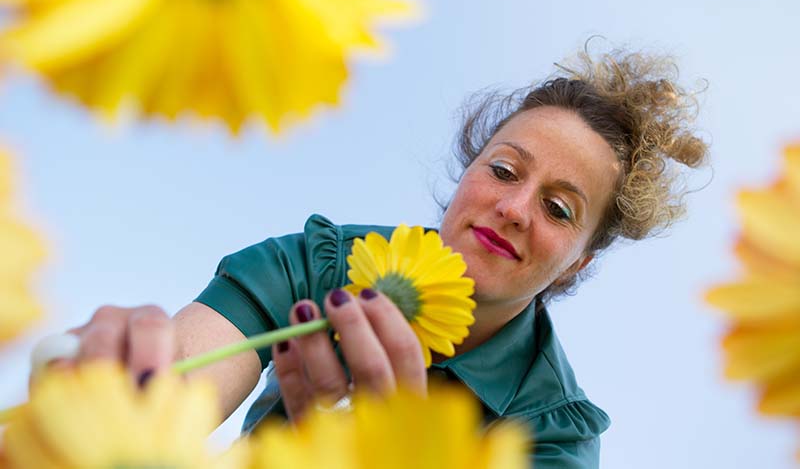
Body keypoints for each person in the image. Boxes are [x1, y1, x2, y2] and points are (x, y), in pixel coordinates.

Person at [59, 47, 708, 468]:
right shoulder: (319, 265)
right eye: (505, 170)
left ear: (576, 264)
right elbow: (158, 405)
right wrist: (107, 409)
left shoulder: (555, 434)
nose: (515, 207)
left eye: (560, 208)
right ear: (466, 176)